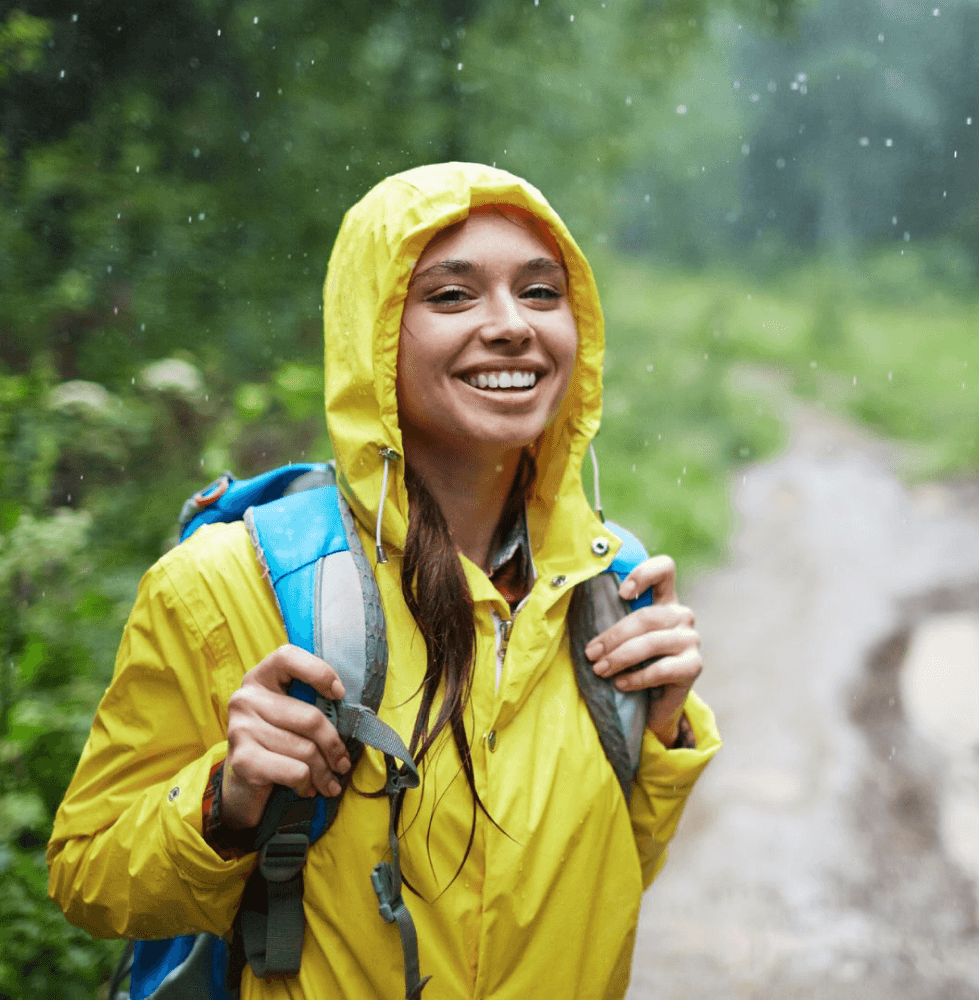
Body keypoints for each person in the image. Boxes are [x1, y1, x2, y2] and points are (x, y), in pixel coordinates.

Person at [47, 162, 720, 999]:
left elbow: (601, 894)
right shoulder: (229, 582)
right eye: (451, 296)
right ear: (372, 335)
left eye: (542, 293)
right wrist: (226, 799)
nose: (512, 326)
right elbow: (90, 877)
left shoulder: (603, 583)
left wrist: (659, 733)